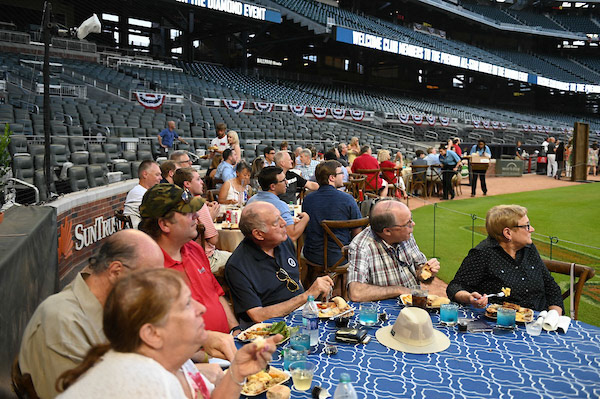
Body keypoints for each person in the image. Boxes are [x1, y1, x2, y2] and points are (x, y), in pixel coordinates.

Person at [56, 269, 280, 399]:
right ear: (152, 334)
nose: (200, 308)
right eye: (186, 305)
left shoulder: (171, 361)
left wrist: (237, 372)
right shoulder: (151, 384)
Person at [19, 230, 165, 399]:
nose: (155, 289)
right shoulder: (62, 320)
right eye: (151, 279)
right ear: (116, 272)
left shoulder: (116, 308)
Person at [139, 183, 240, 335]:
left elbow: (216, 294)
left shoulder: (195, 249)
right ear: (164, 224)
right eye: (187, 213)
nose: (197, 216)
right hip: (194, 356)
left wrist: (235, 329)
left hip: (227, 343)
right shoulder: (149, 269)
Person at [225, 201, 334, 323]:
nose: (285, 223)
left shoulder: (283, 242)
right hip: (271, 328)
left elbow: (295, 280)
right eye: (276, 222)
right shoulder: (238, 266)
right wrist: (307, 296)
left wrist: (308, 301)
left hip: (302, 314)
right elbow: (257, 315)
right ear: (259, 234)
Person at [447, 205, 564, 314]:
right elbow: (455, 287)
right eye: (527, 226)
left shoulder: (528, 248)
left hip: (538, 322)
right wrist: (469, 297)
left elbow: (551, 287)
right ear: (508, 233)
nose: (532, 229)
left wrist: (553, 317)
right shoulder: (483, 254)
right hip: (502, 323)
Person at [347, 199, 440, 302]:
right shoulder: (361, 247)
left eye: (411, 219)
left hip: (414, 305)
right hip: (385, 311)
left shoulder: (406, 235)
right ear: (387, 231)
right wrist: (399, 290)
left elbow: (420, 271)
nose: (413, 224)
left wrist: (428, 271)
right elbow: (356, 293)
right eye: (407, 223)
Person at [302, 160, 362, 268]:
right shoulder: (347, 199)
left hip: (312, 255)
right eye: (340, 173)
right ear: (331, 178)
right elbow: (357, 232)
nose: (344, 175)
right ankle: (338, 282)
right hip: (340, 257)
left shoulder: (308, 199)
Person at [174, 168, 231, 274]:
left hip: (188, 258)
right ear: (187, 184)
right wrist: (210, 217)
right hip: (206, 259)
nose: (202, 182)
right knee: (240, 260)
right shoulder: (198, 204)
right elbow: (213, 240)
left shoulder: (179, 202)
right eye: (198, 179)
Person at [246, 166, 309, 241]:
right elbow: (291, 236)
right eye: (283, 180)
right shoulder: (280, 206)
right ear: (272, 186)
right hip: (273, 248)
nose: (286, 182)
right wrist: (306, 218)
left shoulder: (251, 201)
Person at [124, 160, 162, 228]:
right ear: (145, 174)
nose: (161, 178)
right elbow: (156, 215)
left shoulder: (147, 192)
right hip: (139, 235)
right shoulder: (137, 192)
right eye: (157, 174)